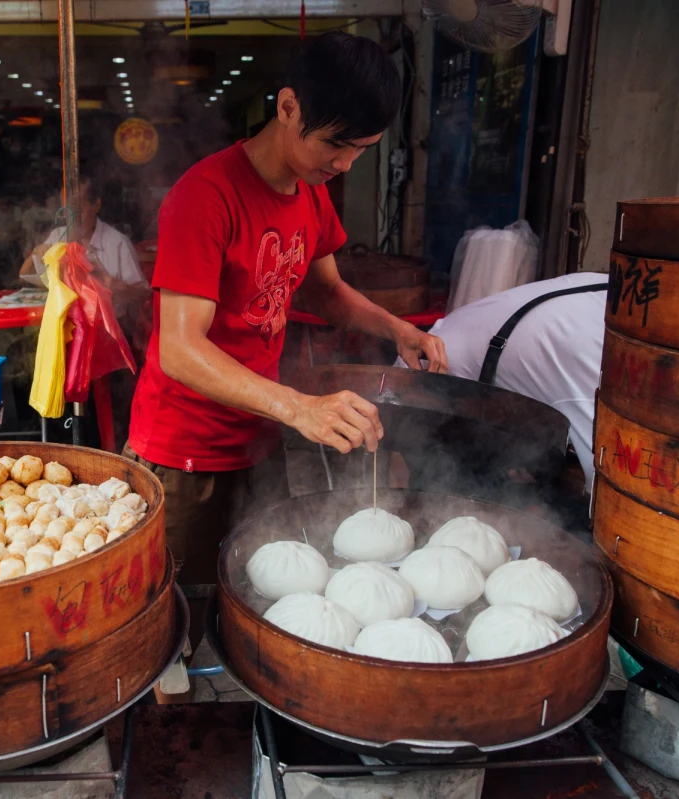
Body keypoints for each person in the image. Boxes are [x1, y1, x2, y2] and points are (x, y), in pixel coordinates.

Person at [125, 32, 448, 600]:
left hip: (260, 435)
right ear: (288, 107)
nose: (345, 163)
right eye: (336, 144)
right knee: (176, 615)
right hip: (184, 453)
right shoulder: (204, 197)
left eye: (363, 149)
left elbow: (326, 292)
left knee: (268, 599)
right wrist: (299, 407)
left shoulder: (309, 192)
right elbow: (178, 348)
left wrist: (397, 329)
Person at [395, 272, 608, 494]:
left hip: (467, 358)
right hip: (427, 384)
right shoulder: (597, 360)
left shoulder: (615, 299)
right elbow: (604, 482)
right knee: (443, 500)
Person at [20, 174, 147, 292]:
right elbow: (23, 277)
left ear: (96, 205)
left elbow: (143, 293)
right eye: (66, 210)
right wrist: (36, 252)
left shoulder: (118, 243)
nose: (71, 218)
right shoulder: (57, 236)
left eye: (78, 210)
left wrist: (116, 286)